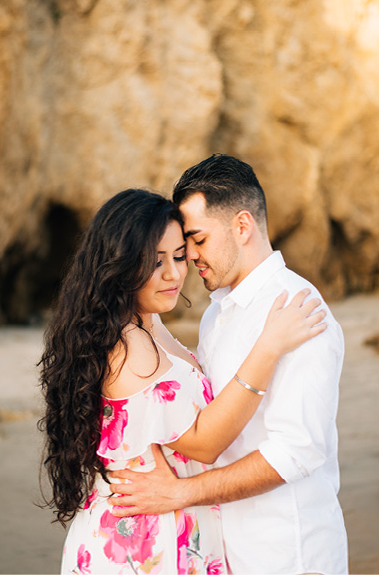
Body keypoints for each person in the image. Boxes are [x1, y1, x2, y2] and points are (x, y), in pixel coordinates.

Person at [38, 188, 327, 574]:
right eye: (156, 263)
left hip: (170, 523)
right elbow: (204, 443)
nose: (174, 274)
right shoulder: (127, 345)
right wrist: (268, 347)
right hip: (141, 544)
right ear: (120, 264)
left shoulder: (149, 323)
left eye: (179, 256)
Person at [109, 156, 348, 574]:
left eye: (197, 240)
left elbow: (297, 451)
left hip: (286, 549)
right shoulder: (216, 314)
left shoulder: (298, 310)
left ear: (242, 226)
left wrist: (182, 493)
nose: (190, 258)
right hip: (222, 545)